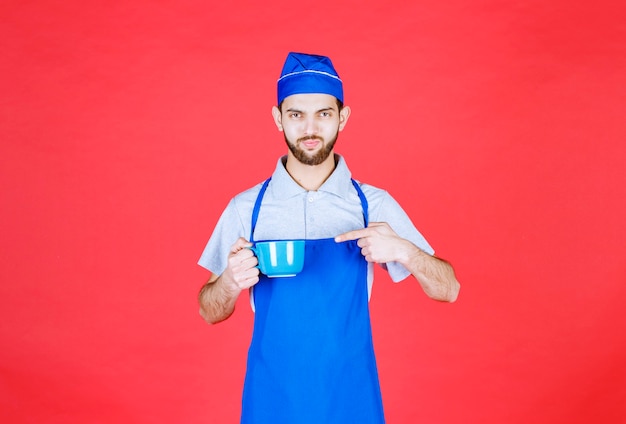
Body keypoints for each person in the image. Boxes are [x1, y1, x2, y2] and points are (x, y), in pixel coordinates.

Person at [197, 52, 460, 424]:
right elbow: (210, 310)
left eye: (323, 114)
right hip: (272, 400)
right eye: (295, 114)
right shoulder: (246, 208)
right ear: (278, 119)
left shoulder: (371, 204)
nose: (310, 128)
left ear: (343, 117)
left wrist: (406, 251)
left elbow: (448, 289)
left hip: (351, 399)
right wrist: (229, 280)